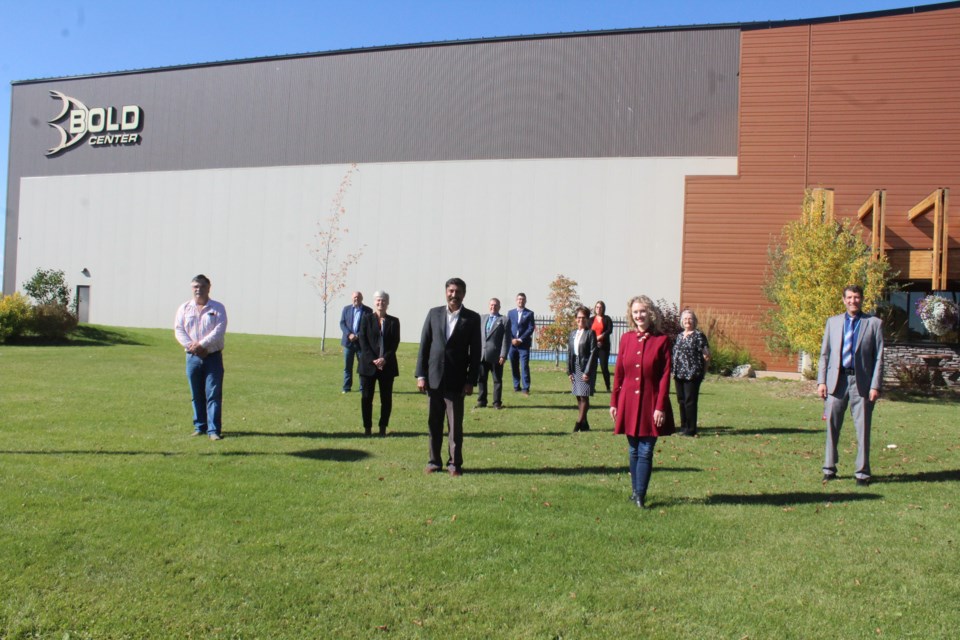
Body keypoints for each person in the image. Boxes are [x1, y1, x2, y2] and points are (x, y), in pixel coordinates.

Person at [610, 295, 675, 509]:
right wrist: (614, 402)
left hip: (651, 402)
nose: (639, 315)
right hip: (628, 400)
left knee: (646, 449)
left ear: (651, 314)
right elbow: (619, 372)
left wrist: (660, 407)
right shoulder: (626, 339)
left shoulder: (662, 341)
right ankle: (634, 491)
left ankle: (640, 495)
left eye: (643, 311)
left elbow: (665, 376)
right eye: (636, 312)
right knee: (633, 450)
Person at [817, 284, 884, 486]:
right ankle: (829, 469)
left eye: (856, 297)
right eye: (849, 297)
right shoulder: (833, 322)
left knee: (863, 429)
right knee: (831, 426)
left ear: (861, 299)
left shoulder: (874, 323)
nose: (853, 300)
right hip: (836, 383)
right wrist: (821, 381)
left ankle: (862, 473)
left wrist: (875, 385)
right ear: (844, 300)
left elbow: (879, 357)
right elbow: (825, 354)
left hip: (861, 383)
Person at [416, 277, 482, 477]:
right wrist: (421, 375)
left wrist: (471, 381)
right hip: (434, 379)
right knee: (433, 424)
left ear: (464, 294)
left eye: (458, 291)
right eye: (451, 291)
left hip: (457, 381)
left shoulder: (472, 318)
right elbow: (424, 346)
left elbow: (476, 352)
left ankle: (455, 464)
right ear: (446, 292)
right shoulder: (433, 314)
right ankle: (433, 462)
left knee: (455, 427)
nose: (454, 295)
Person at [174, 274, 228, 441]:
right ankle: (200, 427)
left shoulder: (217, 308)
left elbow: (219, 330)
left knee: (213, 394)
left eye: (202, 286)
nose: (198, 290)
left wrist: (202, 345)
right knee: (196, 393)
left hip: (212, 357)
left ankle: (214, 431)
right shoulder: (184, 308)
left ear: (209, 287)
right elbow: (179, 329)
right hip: (192, 357)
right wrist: (191, 346)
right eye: (195, 287)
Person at [358, 291, 400, 437]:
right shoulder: (366, 319)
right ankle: (367, 428)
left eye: (383, 301)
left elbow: (394, 343)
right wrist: (373, 359)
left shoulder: (394, 321)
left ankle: (383, 427)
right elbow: (362, 340)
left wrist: (384, 359)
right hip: (368, 365)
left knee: (386, 399)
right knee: (367, 398)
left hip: (387, 366)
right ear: (374, 302)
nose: (380, 303)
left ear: (387, 303)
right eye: (378, 300)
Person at [672, 308, 711, 436]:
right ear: (682, 321)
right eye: (685, 319)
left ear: (694, 321)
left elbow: (707, 356)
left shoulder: (699, 336)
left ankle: (691, 429)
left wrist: (703, 372)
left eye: (690, 318)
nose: (687, 321)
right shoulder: (679, 336)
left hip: (693, 373)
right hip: (679, 373)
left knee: (690, 401)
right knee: (681, 400)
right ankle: (683, 427)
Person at [568, 305, 599, 432]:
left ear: (587, 319)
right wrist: (569, 371)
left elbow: (593, 353)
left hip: (585, 366)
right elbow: (569, 352)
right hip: (575, 366)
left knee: (584, 395)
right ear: (575, 319)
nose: (581, 320)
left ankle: (578, 422)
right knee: (578, 395)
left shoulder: (590, 333)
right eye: (578, 318)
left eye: (583, 318)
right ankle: (585, 424)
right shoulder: (573, 333)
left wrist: (587, 371)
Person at [477, 297, 510, 409]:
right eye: (491, 305)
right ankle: (481, 401)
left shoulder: (504, 320)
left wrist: (503, 355)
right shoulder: (482, 318)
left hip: (496, 356)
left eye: (495, 305)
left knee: (497, 380)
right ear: (489, 306)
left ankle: (496, 402)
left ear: (499, 307)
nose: (493, 307)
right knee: (481, 379)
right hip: (482, 355)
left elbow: (506, 339)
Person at [339, 291, 371, 393]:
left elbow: (368, 326)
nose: (356, 299)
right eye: (354, 297)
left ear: (362, 298)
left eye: (358, 297)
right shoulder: (346, 309)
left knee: (362, 367)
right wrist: (349, 334)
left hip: (361, 344)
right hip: (348, 343)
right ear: (351, 298)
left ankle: (363, 388)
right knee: (347, 367)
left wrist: (357, 335)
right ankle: (346, 388)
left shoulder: (368, 311)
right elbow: (342, 323)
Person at [507, 292, 535, 395]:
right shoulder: (510, 313)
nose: (520, 301)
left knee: (524, 366)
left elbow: (531, 328)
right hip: (512, 344)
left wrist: (520, 339)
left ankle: (526, 388)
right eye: (519, 299)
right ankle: (516, 386)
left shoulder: (529, 313)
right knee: (514, 365)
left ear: (525, 301)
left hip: (523, 345)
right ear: (516, 300)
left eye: (522, 299)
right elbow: (507, 327)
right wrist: (512, 339)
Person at [591, 300, 614, 392]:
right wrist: (595, 340)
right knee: (593, 367)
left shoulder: (607, 319)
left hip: (603, 347)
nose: (598, 309)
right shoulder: (591, 319)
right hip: (593, 346)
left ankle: (608, 387)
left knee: (604, 367)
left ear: (603, 308)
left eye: (600, 307)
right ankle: (592, 387)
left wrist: (601, 336)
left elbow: (609, 330)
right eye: (597, 307)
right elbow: (589, 331)